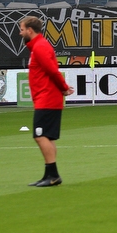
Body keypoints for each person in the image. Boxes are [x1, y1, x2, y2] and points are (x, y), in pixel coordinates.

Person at [20, 16, 73, 187]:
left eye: (22, 29)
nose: (20, 33)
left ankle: (53, 175)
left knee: (40, 135)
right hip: (46, 98)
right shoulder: (37, 47)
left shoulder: (40, 47)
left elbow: (52, 70)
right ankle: (50, 175)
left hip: (47, 98)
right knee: (46, 137)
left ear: (30, 30)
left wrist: (64, 87)